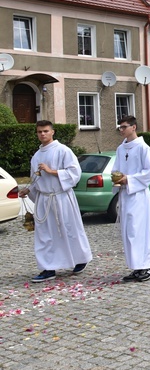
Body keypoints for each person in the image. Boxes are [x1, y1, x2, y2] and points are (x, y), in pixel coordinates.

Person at [19, 120, 93, 283]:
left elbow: (75, 173)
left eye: (45, 131)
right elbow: (35, 179)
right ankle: (48, 268)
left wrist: (52, 171)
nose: (42, 134)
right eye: (39, 132)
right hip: (45, 200)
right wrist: (28, 190)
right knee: (45, 235)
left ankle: (81, 258)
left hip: (61, 197)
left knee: (69, 230)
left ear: (52, 132)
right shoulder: (36, 156)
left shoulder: (63, 151)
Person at [112, 115, 150, 282]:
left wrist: (130, 179)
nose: (121, 130)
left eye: (124, 127)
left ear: (133, 127)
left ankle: (148, 264)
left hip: (139, 195)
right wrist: (117, 179)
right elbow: (116, 169)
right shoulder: (121, 149)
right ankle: (136, 266)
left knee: (140, 230)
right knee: (129, 232)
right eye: (120, 127)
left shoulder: (143, 148)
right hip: (125, 195)